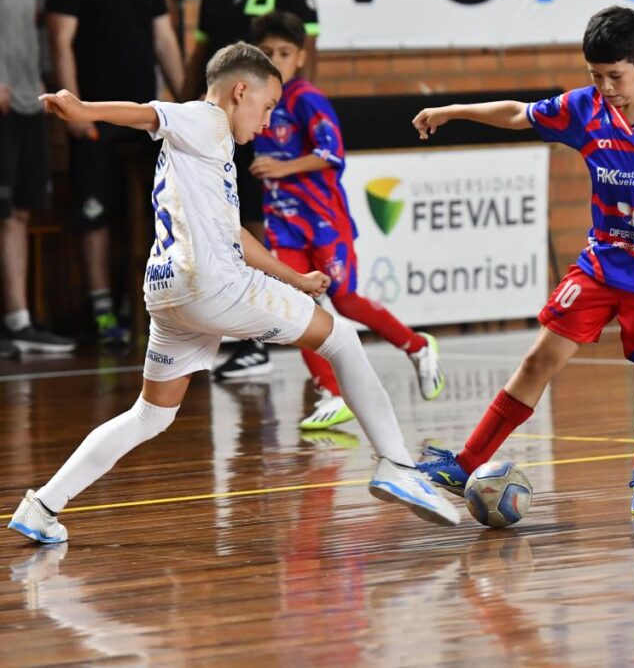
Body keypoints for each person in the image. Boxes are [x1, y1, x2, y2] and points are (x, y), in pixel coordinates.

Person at [6, 43, 459, 545]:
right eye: (266, 107)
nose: (267, 123)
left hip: (169, 292)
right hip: (211, 285)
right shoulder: (206, 120)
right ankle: (396, 464)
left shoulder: (207, 153)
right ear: (239, 91)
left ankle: (41, 506)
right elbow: (149, 113)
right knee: (341, 339)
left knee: (150, 414)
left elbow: (236, 237)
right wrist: (83, 109)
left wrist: (297, 280)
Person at [413, 6, 634, 516]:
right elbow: (518, 112)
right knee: (538, 360)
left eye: (615, 76)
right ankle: (466, 463)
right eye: (595, 76)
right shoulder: (585, 108)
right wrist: (453, 111)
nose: (606, 86)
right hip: (601, 264)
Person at [251, 12, 443, 430]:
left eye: (284, 53)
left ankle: (416, 346)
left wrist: (281, 167)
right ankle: (331, 393)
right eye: (266, 53)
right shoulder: (253, 98)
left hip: (324, 219)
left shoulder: (307, 99)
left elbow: (333, 154)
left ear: (300, 57)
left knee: (345, 299)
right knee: (295, 306)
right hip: (283, 221)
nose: (275, 60)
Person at [185, 0, 321, 377]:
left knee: (256, 228)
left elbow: (305, 57)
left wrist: (284, 117)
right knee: (234, 224)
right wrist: (187, 107)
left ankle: (258, 339)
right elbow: (202, 57)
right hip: (226, 125)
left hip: (263, 131)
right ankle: (245, 336)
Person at [47, 0, 185, 344]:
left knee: (157, 212)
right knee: (95, 213)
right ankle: (104, 312)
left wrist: (187, 108)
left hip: (143, 116)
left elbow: (165, 40)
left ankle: (148, 306)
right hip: (92, 114)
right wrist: (72, 108)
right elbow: (60, 39)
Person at [0, 0, 75, 354]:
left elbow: (40, 30)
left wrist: (44, 78)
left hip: (28, 99)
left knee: (18, 212)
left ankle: (18, 321)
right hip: (2, 97)